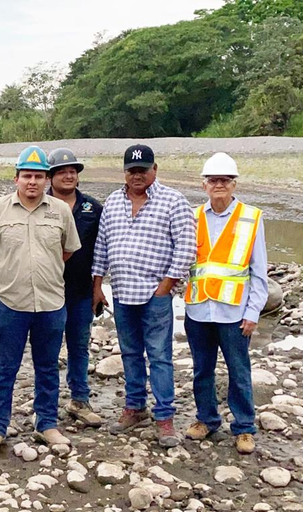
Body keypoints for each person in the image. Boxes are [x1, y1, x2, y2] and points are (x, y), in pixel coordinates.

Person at [0, 146, 81, 456]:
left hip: (51, 304)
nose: (32, 182)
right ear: (16, 179)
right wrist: (3, 278)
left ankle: (46, 423)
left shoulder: (60, 211)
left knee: (47, 367)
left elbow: (68, 250)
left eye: (38, 176)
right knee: (5, 367)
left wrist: (44, 271)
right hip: (10, 304)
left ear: (47, 180)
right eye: (26, 176)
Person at [91, 144, 196, 448]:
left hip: (155, 294)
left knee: (160, 356)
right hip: (122, 292)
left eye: (143, 170)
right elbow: (102, 247)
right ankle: (135, 407)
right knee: (130, 353)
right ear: (124, 172)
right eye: (131, 170)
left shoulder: (173, 201)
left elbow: (186, 248)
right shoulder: (112, 202)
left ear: (155, 170)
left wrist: (165, 287)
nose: (137, 175)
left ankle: (165, 418)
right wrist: (98, 286)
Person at [183, 153, 267, 455]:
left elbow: (259, 271)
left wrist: (253, 312)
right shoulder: (192, 217)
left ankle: (244, 427)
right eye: (213, 180)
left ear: (234, 184)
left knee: (238, 370)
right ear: (204, 185)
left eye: (225, 180)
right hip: (198, 309)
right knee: (201, 369)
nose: (219, 185)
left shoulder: (251, 217)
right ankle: (206, 419)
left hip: (234, 312)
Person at [46, 148, 104, 428]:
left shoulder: (93, 208)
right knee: (47, 349)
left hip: (81, 291)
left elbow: (100, 252)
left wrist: (98, 288)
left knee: (79, 346)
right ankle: (44, 406)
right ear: (50, 177)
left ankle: (79, 399)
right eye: (61, 171)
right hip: (47, 292)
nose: (68, 176)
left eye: (73, 171)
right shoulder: (40, 206)